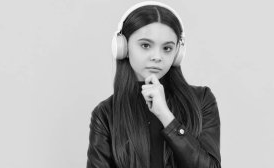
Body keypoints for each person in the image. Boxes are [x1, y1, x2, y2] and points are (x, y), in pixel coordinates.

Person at [86, 1, 221, 168]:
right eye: (145, 45)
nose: (157, 57)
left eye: (167, 48)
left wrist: (166, 116)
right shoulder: (106, 114)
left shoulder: (201, 100)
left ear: (178, 53)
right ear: (123, 47)